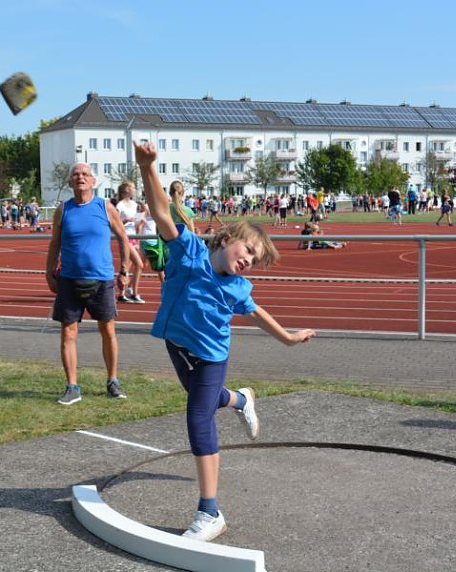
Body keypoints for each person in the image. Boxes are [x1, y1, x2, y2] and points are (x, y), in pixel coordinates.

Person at [134, 142, 315, 542]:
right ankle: (242, 399)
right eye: (248, 250)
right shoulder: (188, 250)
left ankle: (209, 512)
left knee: (198, 419)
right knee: (211, 400)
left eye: (256, 259)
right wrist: (148, 168)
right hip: (177, 347)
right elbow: (162, 211)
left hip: (211, 356)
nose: (249, 259)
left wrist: (287, 337)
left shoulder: (237, 286)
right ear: (227, 237)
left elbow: (255, 312)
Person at [45, 162, 131, 405]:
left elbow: (123, 239)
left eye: (85, 174)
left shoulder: (105, 207)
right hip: (70, 280)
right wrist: (48, 272)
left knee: (108, 331)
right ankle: (72, 386)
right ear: (70, 183)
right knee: (68, 333)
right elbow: (54, 244)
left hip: (102, 280)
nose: (80, 177)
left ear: (93, 181)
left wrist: (124, 270)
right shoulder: (63, 210)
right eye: (75, 175)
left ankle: (113, 380)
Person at [115, 181, 145, 303]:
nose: (134, 189)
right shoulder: (119, 206)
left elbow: (137, 223)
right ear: (126, 189)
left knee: (127, 266)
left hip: (132, 236)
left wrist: (141, 219)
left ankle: (122, 294)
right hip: (124, 237)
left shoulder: (134, 204)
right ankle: (134, 293)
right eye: (132, 187)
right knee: (139, 264)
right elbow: (115, 224)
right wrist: (125, 221)